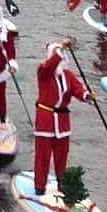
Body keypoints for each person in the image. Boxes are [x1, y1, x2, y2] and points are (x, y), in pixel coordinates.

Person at [33, 39, 93, 196]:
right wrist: (60, 50)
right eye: (59, 55)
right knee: (43, 156)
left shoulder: (68, 75)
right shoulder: (43, 72)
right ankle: (40, 187)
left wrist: (86, 96)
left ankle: (62, 186)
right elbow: (49, 65)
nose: (62, 60)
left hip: (63, 121)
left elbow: (77, 89)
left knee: (62, 156)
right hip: (45, 119)